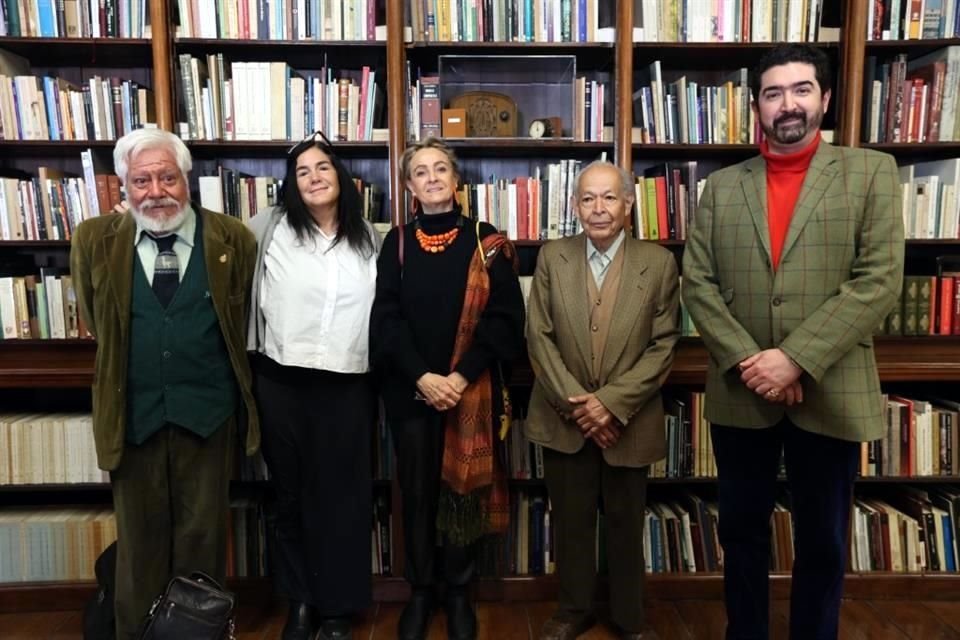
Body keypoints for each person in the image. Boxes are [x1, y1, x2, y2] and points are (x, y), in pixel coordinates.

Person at [681, 44, 904, 640]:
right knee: (741, 533)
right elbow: (697, 285)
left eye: (801, 89)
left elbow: (879, 281)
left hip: (828, 387)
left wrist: (795, 359)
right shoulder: (722, 188)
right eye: (774, 93)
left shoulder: (871, 172)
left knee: (824, 538)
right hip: (741, 390)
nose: (788, 104)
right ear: (756, 105)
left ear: (825, 98)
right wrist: (753, 364)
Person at [70, 128, 259, 639]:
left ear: (187, 179)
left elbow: (237, 323)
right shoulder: (93, 240)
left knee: (201, 541)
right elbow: (98, 319)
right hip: (132, 414)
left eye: (167, 177)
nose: (156, 191)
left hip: (209, 414)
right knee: (139, 543)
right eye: (142, 180)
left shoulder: (232, 239)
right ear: (125, 188)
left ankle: (198, 632)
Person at [369, 137, 525, 640]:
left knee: (463, 494)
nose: (432, 177)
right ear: (409, 184)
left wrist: (458, 378)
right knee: (416, 494)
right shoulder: (395, 243)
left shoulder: (488, 241)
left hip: (469, 393)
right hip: (412, 395)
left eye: (441, 168)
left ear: (457, 181)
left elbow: (504, 321)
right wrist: (422, 377)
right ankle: (421, 590)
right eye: (421, 171)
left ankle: (458, 591)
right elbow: (386, 321)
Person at [524, 160, 679, 640]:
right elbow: (539, 338)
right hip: (562, 419)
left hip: (628, 420)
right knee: (571, 523)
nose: (598, 208)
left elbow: (664, 345)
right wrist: (580, 408)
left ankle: (629, 617)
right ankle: (573, 610)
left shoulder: (659, 264)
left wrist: (610, 404)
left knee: (625, 526)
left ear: (628, 205)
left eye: (609, 197)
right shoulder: (553, 257)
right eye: (588, 198)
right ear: (574, 207)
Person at [246, 131, 381, 640]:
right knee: (291, 497)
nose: (314, 177)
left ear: (341, 177)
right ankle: (300, 602)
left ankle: (338, 609)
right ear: (291, 184)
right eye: (302, 172)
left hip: (348, 384)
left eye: (322, 167)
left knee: (342, 500)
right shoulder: (268, 230)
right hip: (280, 381)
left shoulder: (372, 238)